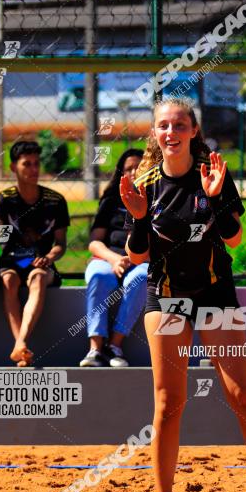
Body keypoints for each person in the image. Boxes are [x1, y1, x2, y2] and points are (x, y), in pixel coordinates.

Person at [120, 98, 246, 492]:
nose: (170, 132)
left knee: (242, 396)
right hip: (167, 295)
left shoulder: (212, 172)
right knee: (167, 401)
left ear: (193, 130)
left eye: (179, 125)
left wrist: (215, 200)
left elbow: (233, 238)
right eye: (162, 126)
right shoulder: (146, 180)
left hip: (214, 291)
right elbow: (136, 256)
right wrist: (139, 219)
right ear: (154, 134)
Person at [0, 140, 70, 367]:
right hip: (13, 260)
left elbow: (60, 244)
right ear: (13, 168)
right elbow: (0, 237)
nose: (33, 169)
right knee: (9, 280)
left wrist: (49, 257)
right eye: (26, 164)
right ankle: (21, 348)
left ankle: (20, 343)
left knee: (38, 277)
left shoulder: (55, 201)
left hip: (42, 262)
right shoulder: (6, 200)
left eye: (36, 164)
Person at [81, 148, 148, 368]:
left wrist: (135, 258)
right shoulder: (111, 201)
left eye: (137, 167)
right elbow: (94, 242)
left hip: (140, 262)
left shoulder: (155, 201)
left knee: (141, 278)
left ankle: (115, 346)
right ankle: (95, 349)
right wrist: (113, 259)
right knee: (98, 275)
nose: (132, 172)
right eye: (127, 169)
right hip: (110, 260)